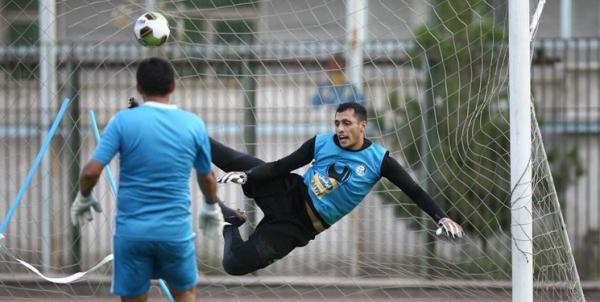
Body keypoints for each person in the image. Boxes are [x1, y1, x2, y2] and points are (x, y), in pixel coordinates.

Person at [208, 102, 463, 276]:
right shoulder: (320, 143)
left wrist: (441, 216)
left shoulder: (379, 160)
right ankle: (186, 130)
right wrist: (247, 175)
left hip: (298, 226)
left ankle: (230, 222)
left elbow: (415, 191)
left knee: (234, 264)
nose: (340, 129)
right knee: (222, 154)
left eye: (347, 123)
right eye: (337, 123)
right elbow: (278, 166)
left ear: (362, 125)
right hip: (288, 192)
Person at [70, 57, 225, 302]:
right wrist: (211, 206)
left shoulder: (123, 121)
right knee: (185, 293)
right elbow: (206, 176)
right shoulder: (193, 124)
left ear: (139, 88)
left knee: (133, 296)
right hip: (175, 232)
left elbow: (90, 172)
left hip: (132, 233)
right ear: (173, 86)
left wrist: (83, 197)